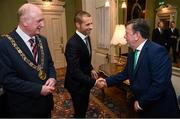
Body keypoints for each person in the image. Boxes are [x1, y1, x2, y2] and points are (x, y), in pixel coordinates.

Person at [96, 18, 180, 117]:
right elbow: (125, 73)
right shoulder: (132, 51)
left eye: (127, 33)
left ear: (136, 35)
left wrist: (141, 103)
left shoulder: (157, 51)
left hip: (159, 108)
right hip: (144, 104)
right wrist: (106, 81)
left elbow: (159, 84)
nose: (124, 36)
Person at [0, 3, 56, 117]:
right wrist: (38, 89)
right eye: (39, 21)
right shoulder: (4, 44)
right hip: (23, 108)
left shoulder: (42, 40)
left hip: (45, 104)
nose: (43, 24)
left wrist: (52, 77)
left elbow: (49, 63)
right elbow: (7, 79)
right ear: (25, 22)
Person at [64, 10, 98, 118]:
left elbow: (85, 59)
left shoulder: (87, 37)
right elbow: (74, 71)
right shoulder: (72, 43)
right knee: (80, 111)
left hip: (84, 82)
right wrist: (94, 82)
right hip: (76, 85)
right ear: (78, 25)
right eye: (87, 24)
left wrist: (91, 68)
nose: (91, 27)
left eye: (91, 23)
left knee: (84, 107)